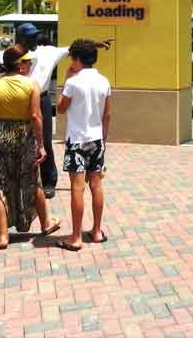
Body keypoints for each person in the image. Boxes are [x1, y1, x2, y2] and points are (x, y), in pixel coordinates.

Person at [0, 24, 112, 199]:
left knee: (45, 141)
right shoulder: (13, 55)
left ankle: (49, 181)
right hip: (19, 99)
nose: (34, 40)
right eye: (30, 37)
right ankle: (18, 180)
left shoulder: (48, 52)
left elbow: (75, 49)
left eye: (35, 36)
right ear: (21, 38)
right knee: (19, 140)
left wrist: (98, 44)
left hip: (41, 99)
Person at [0, 45, 60, 249]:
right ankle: (46, 223)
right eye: (27, 62)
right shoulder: (31, 84)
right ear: (19, 65)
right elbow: (36, 116)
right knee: (31, 180)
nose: (29, 65)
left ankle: (2, 236)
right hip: (22, 135)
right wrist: (41, 145)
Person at [56, 39, 111, 251]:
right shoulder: (104, 81)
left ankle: (76, 236)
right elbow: (108, 114)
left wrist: (67, 79)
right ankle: (97, 231)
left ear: (77, 59)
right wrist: (104, 141)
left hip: (77, 140)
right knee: (96, 185)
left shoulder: (73, 82)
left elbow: (61, 108)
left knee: (77, 188)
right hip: (97, 139)